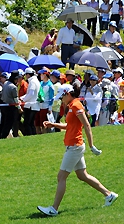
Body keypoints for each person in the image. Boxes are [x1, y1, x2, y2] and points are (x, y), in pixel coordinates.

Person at [38, 84, 118, 216]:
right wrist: (53, 124)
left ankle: (54, 209)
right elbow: (69, 126)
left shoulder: (76, 105)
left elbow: (86, 125)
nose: (61, 100)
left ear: (68, 94)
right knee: (82, 175)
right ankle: (109, 195)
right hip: (74, 145)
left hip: (75, 146)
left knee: (61, 177)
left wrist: (92, 145)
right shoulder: (72, 106)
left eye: (62, 96)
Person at [0, 71, 22, 140]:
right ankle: (3, 137)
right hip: (11, 108)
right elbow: (16, 99)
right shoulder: (13, 87)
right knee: (8, 124)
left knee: (3, 122)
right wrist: (19, 108)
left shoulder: (5, 83)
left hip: (4, 106)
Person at [20, 68, 40, 136]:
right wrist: (22, 97)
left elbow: (31, 94)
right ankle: (33, 136)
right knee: (31, 123)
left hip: (30, 105)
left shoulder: (32, 82)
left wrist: (23, 100)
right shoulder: (36, 80)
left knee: (27, 123)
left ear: (28, 74)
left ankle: (30, 136)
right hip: (34, 105)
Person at [35, 69, 55, 134]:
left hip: (45, 107)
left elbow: (51, 97)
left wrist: (50, 108)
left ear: (45, 75)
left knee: (43, 124)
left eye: (41, 74)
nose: (40, 75)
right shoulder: (40, 83)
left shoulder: (50, 85)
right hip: (38, 106)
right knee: (37, 123)